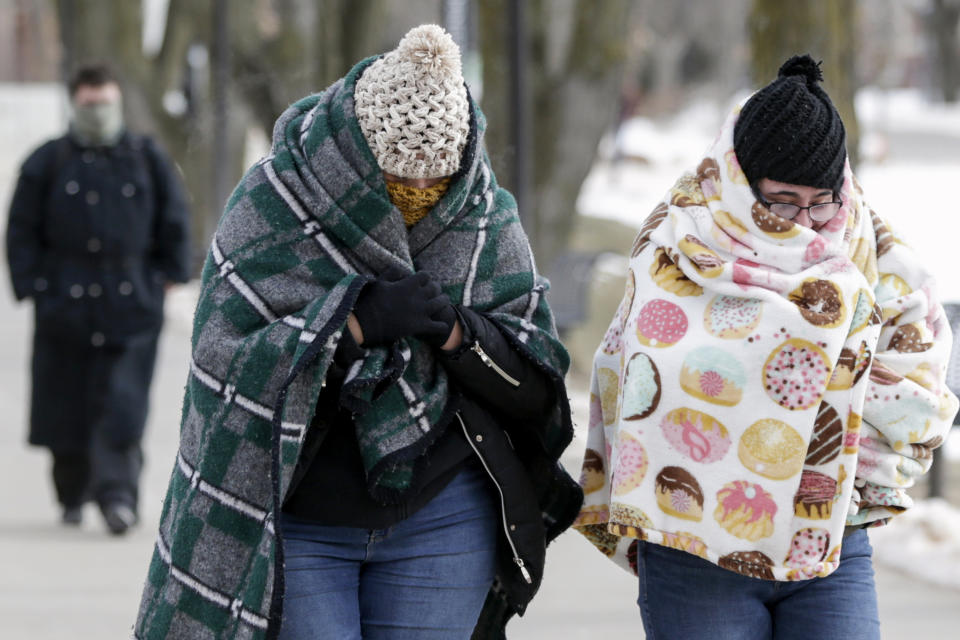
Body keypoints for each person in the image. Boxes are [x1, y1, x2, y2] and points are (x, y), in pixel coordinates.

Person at [134, 24, 581, 639]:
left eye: (435, 179)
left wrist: (456, 332)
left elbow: (535, 384)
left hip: (445, 517)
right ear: (357, 151)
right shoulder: (278, 198)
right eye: (398, 176)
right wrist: (351, 324)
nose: (418, 195)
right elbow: (222, 358)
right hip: (301, 517)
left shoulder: (481, 214)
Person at [574, 54, 959, 640]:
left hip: (831, 537)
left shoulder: (874, 248)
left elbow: (919, 370)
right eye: (781, 201)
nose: (806, 221)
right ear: (742, 182)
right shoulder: (679, 243)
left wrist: (854, 462)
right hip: (696, 540)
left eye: (822, 199)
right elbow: (644, 374)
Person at [6, 65, 192, 535]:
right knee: (64, 408)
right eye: (90, 103)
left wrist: (167, 277)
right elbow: (21, 231)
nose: (98, 112)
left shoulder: (147, 157)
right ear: (75, 103)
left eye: (106, 101)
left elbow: (175, 221)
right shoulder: (46, 161)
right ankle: (71, 492)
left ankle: (117, 498)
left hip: (130, 305)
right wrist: (35, 288)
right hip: (64, 305)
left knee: (122, 408)